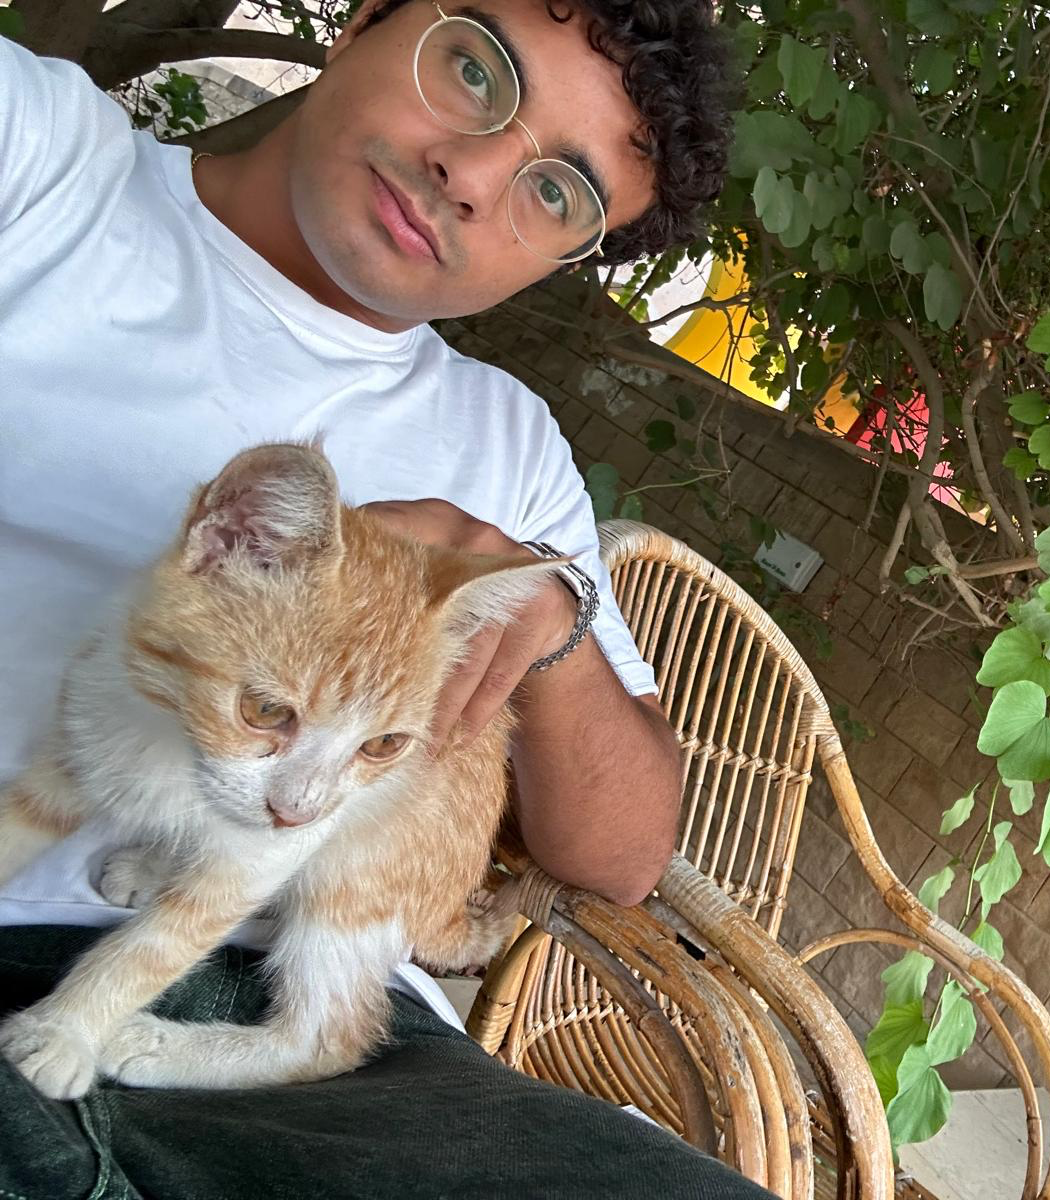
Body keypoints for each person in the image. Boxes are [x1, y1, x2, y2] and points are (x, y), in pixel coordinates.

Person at [0, 1, 771, 1195]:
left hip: (304, 1009)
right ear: (362, 18)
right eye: (474, 71)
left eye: (555, 193)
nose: (470, 179)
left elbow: (621, 859)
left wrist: (551, 626)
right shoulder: (40, 155)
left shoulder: (508, 445)